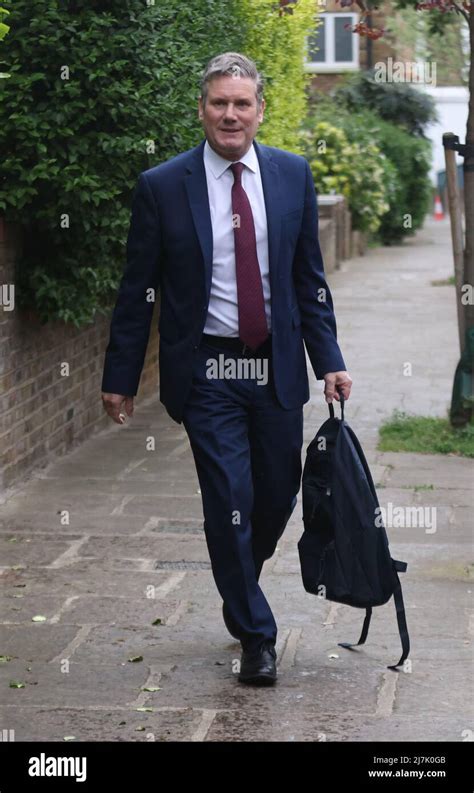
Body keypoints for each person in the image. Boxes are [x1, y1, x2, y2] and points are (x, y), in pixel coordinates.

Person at [101, 52, 353, 686]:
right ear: (202, 109)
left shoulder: (292, 176)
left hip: (276, 370)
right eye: (220, 103)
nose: (231, 114)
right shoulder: (162, 186)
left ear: (259, 111)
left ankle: (237, 571)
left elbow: (308, 280)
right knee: (228, 500)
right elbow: (139, 291)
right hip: (208, 370)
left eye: (242, 103)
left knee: (276, 496)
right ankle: (256, 634)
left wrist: (330, 362)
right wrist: (121, 376)